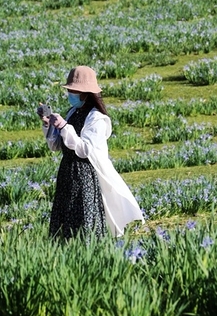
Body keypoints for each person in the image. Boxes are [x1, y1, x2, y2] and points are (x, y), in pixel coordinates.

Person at [40, 66, 145, 239]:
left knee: (84, 221)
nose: (70, 94)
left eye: (74, 91)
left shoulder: (97, 119)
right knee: (64, 221)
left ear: (85, 93)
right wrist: (48, 124)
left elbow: (85, 150)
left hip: (85, 175)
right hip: (67, 172)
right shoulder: (73, 112)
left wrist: (65, 127)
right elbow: (57, 145)